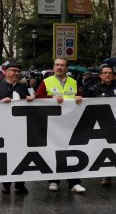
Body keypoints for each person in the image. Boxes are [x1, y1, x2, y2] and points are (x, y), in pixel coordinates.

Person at [35, 58, 86, 193]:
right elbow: (38, 98)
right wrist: (51, 99)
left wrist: (80, 98)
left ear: (66, 68)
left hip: (70, 123)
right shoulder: (46, 82)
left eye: (62, 65)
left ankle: (73, 183)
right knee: (54, 151)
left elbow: (80, 97)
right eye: (57, 65)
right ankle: (53, 180)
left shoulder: (74, 82)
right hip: (52, 123)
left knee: (72, 151)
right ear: (53, 67)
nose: (59, 67)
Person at [0, 62, 34, 194]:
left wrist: (31, 100)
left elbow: (29, 102)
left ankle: (20, 184)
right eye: (13, 70)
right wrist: (0, 102)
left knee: (21, 156)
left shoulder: (23, 87)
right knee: (6, 157)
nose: (16, 73)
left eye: (18, 71)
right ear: (6, 72)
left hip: (20, 128)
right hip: (4, 128)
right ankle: (6, 184)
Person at [84, 64, 116, 187]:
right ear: (100, 75)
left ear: (113, 76)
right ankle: (105, 176)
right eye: (105, 73)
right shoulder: (94, 89)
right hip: (101, 125)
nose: (108, 75)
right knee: (104, 151)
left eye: (110, 73)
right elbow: (84, 103)